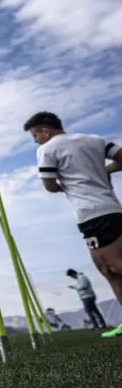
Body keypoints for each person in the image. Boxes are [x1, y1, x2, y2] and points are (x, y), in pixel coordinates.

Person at [24, 111, 122, 339]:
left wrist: (59, 186)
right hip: (113, 209)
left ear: (45, 131)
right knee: (110, 272)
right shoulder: (95, 140)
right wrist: (106, 170)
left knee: (114, 267)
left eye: (35, 136)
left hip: (92, 215)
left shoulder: (47, 149)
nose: (35, 141)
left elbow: (49, 184)